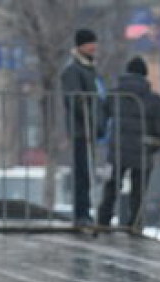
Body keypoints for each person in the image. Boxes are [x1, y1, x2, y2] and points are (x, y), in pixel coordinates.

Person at [97, 57, 160, 231]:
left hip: (118, 150)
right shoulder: (153, 100)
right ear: (145, 76)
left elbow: (100, 117)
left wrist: (102, 136)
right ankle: (135, 223)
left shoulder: (114, 95)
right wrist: (155, 145)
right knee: (138, 191)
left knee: (112, 186)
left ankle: (103, 220)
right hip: (142, 150)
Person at [60, 28, 104, 230]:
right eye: (89, 43)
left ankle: (85, 212)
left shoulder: (89, 69)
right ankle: (81, 213)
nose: (94, 47)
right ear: (80, 46)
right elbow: (75, 99)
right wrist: (87, 112)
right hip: (81, 129)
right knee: (82, 172)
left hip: (90, 128)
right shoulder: (73, 70)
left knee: (87, 171)